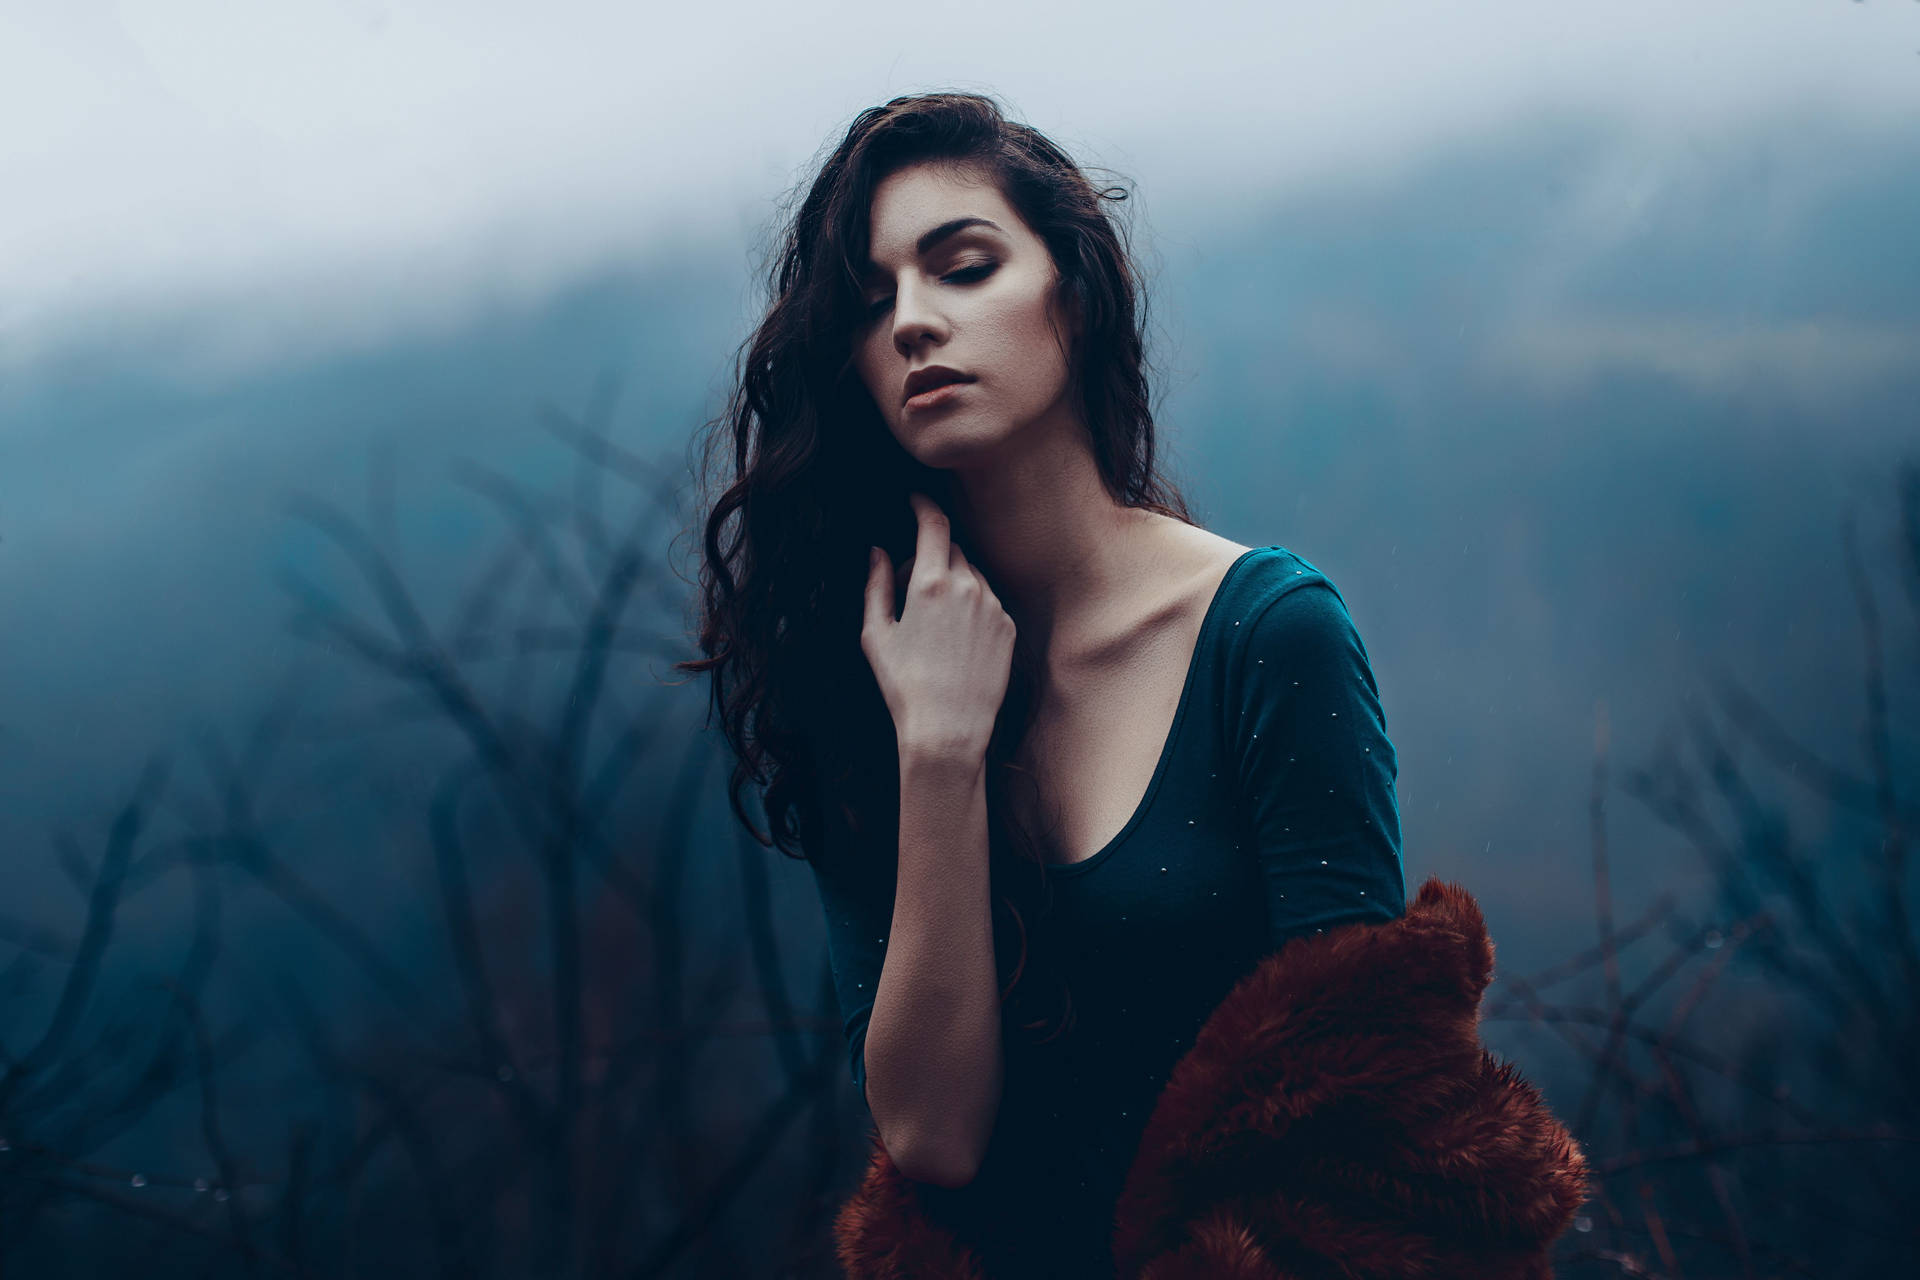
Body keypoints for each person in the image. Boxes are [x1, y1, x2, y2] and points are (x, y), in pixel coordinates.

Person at [682, 91, 1416, 1276]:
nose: (914, 322)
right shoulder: (862, 668)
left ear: (1073, 296)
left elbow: (1365, 1094)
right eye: (872, 305)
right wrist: (938, 746)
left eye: (962, 268)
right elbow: (932, 1135)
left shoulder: (1268, 634)